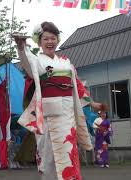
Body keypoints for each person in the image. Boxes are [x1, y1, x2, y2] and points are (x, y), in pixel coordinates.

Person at [13, 22, 102, 180]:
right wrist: (21, 47)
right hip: (47, 116)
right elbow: (27, 63)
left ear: (57, 40)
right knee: (48, 158)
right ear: (39, 42)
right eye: (46, 39)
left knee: (68, 153)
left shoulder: (66, 63)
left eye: (53, 38)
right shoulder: (37, 60)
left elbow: (77, 85)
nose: (50, 42)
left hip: (67, 116)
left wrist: (91, 102)